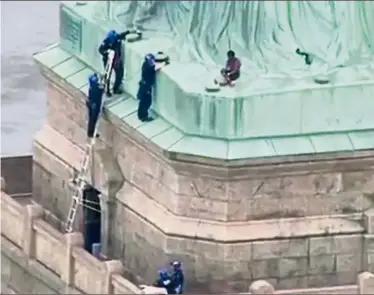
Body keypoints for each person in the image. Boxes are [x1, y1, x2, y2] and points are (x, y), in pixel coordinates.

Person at [98, 29, 131, 97]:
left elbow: (122, 35)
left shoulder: (117, 37)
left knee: (119, 74)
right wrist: (107, 52)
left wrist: (128, 32)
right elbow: (100, 50)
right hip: (108, 61)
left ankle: (115, 88)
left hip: (116, 60)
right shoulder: (106, 42)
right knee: (107, 76)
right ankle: (107, 90)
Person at [136, 53, 164, 122]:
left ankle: (141, 115)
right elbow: (155, 67)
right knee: (146, 102)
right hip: (146, 87)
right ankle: (143, 116)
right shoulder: (148, 67)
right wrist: (163, 63)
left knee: (143, 102)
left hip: (144, 85)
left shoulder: (145, 64)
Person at [86, 73, 104, 138]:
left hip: (90, 103)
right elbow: (100, 92)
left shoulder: (91, 86)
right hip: (94, 105)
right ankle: (91, 132)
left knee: (91, 119)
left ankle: (90, 132)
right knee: (93, 119)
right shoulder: (95, 87)